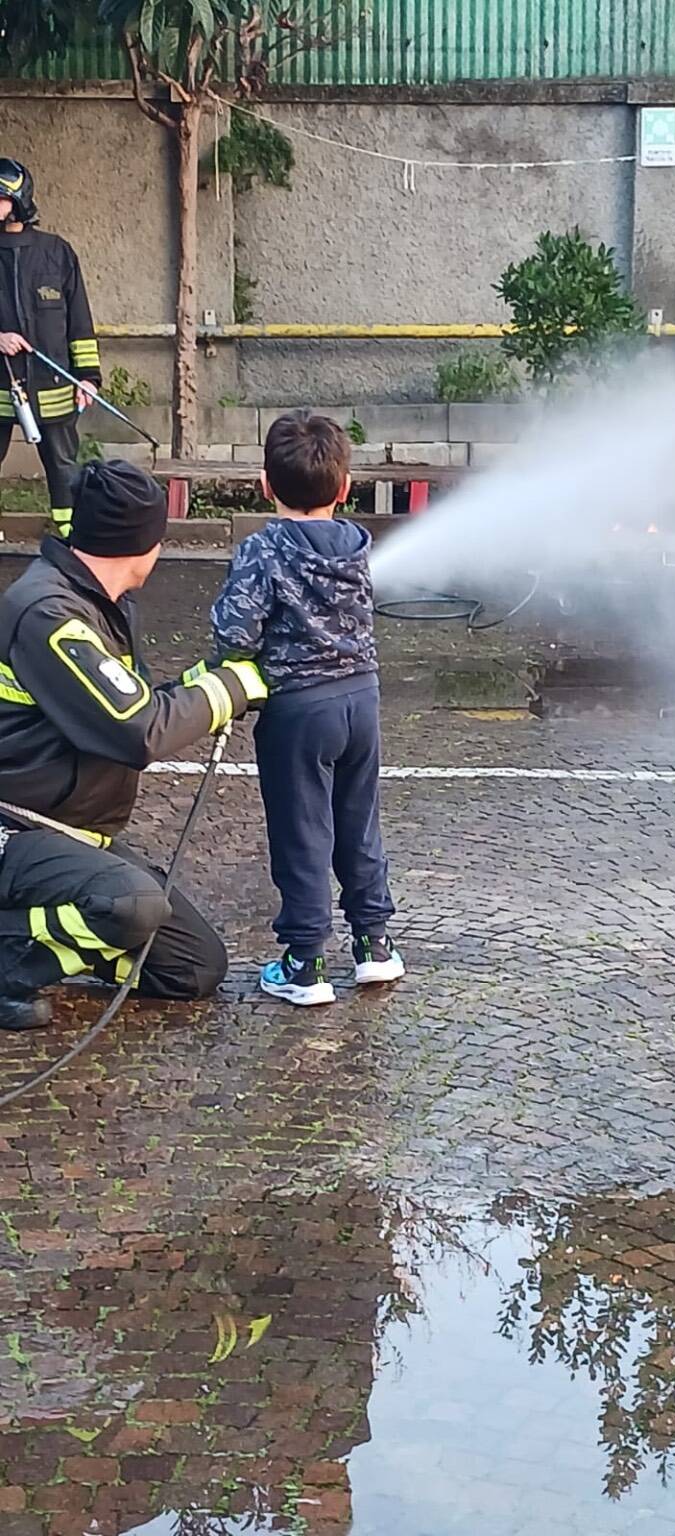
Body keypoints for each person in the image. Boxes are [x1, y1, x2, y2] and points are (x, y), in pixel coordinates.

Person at [0, 459, 267, 1032]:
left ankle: (39, 929)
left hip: (71, 835)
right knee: (131, 904)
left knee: (193, 967)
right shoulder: (50, 615)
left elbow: (126, 702)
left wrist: (201, 683)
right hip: (17, 831)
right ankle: (7, 962)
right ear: (145, 543)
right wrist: (232, 688)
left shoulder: (99, 605)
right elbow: (139, 730)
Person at [212, 410, 404, 1006]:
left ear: (265, 484)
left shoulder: (261, 550)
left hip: (298, 712)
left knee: (303, 833)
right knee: (358, 822)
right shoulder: (358, 545)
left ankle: (304, 963)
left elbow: (234, 633)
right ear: (346, 488)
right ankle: (374, 945)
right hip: (362, 700)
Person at [0, 158, 102, 538]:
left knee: (62, 465)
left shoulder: (57, 253)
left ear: (20, 200)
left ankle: (69, 533)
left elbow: (79, 322)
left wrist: (89, 378)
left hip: (54, 385)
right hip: (0, 386)